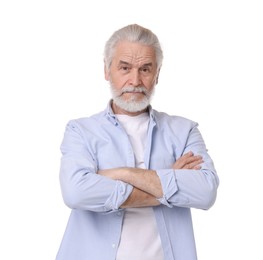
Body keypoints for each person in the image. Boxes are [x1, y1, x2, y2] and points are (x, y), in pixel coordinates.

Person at [56, 24, 219, 260]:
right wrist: (166, 183)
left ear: (157, 74)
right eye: (125, 68)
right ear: (106, 70)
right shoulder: (80, 131)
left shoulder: (184, 131)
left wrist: (121, 173)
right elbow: (76, 193)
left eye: (145, 69)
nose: (135, 80)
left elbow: (205, 192)